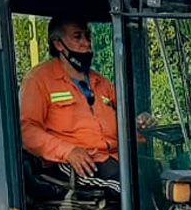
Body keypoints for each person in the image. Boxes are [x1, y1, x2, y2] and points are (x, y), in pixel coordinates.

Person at [20, 16, 120, 196]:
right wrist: (68, 151)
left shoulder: (101, 81)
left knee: (158, 175)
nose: (86, 43)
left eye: (88, 37)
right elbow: (27, 131)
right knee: (127, 188)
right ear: (58, 44)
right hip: (75, 164)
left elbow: (125, 118)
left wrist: (140, 123)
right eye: (78, 37)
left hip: (114, 157)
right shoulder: (39, 80)